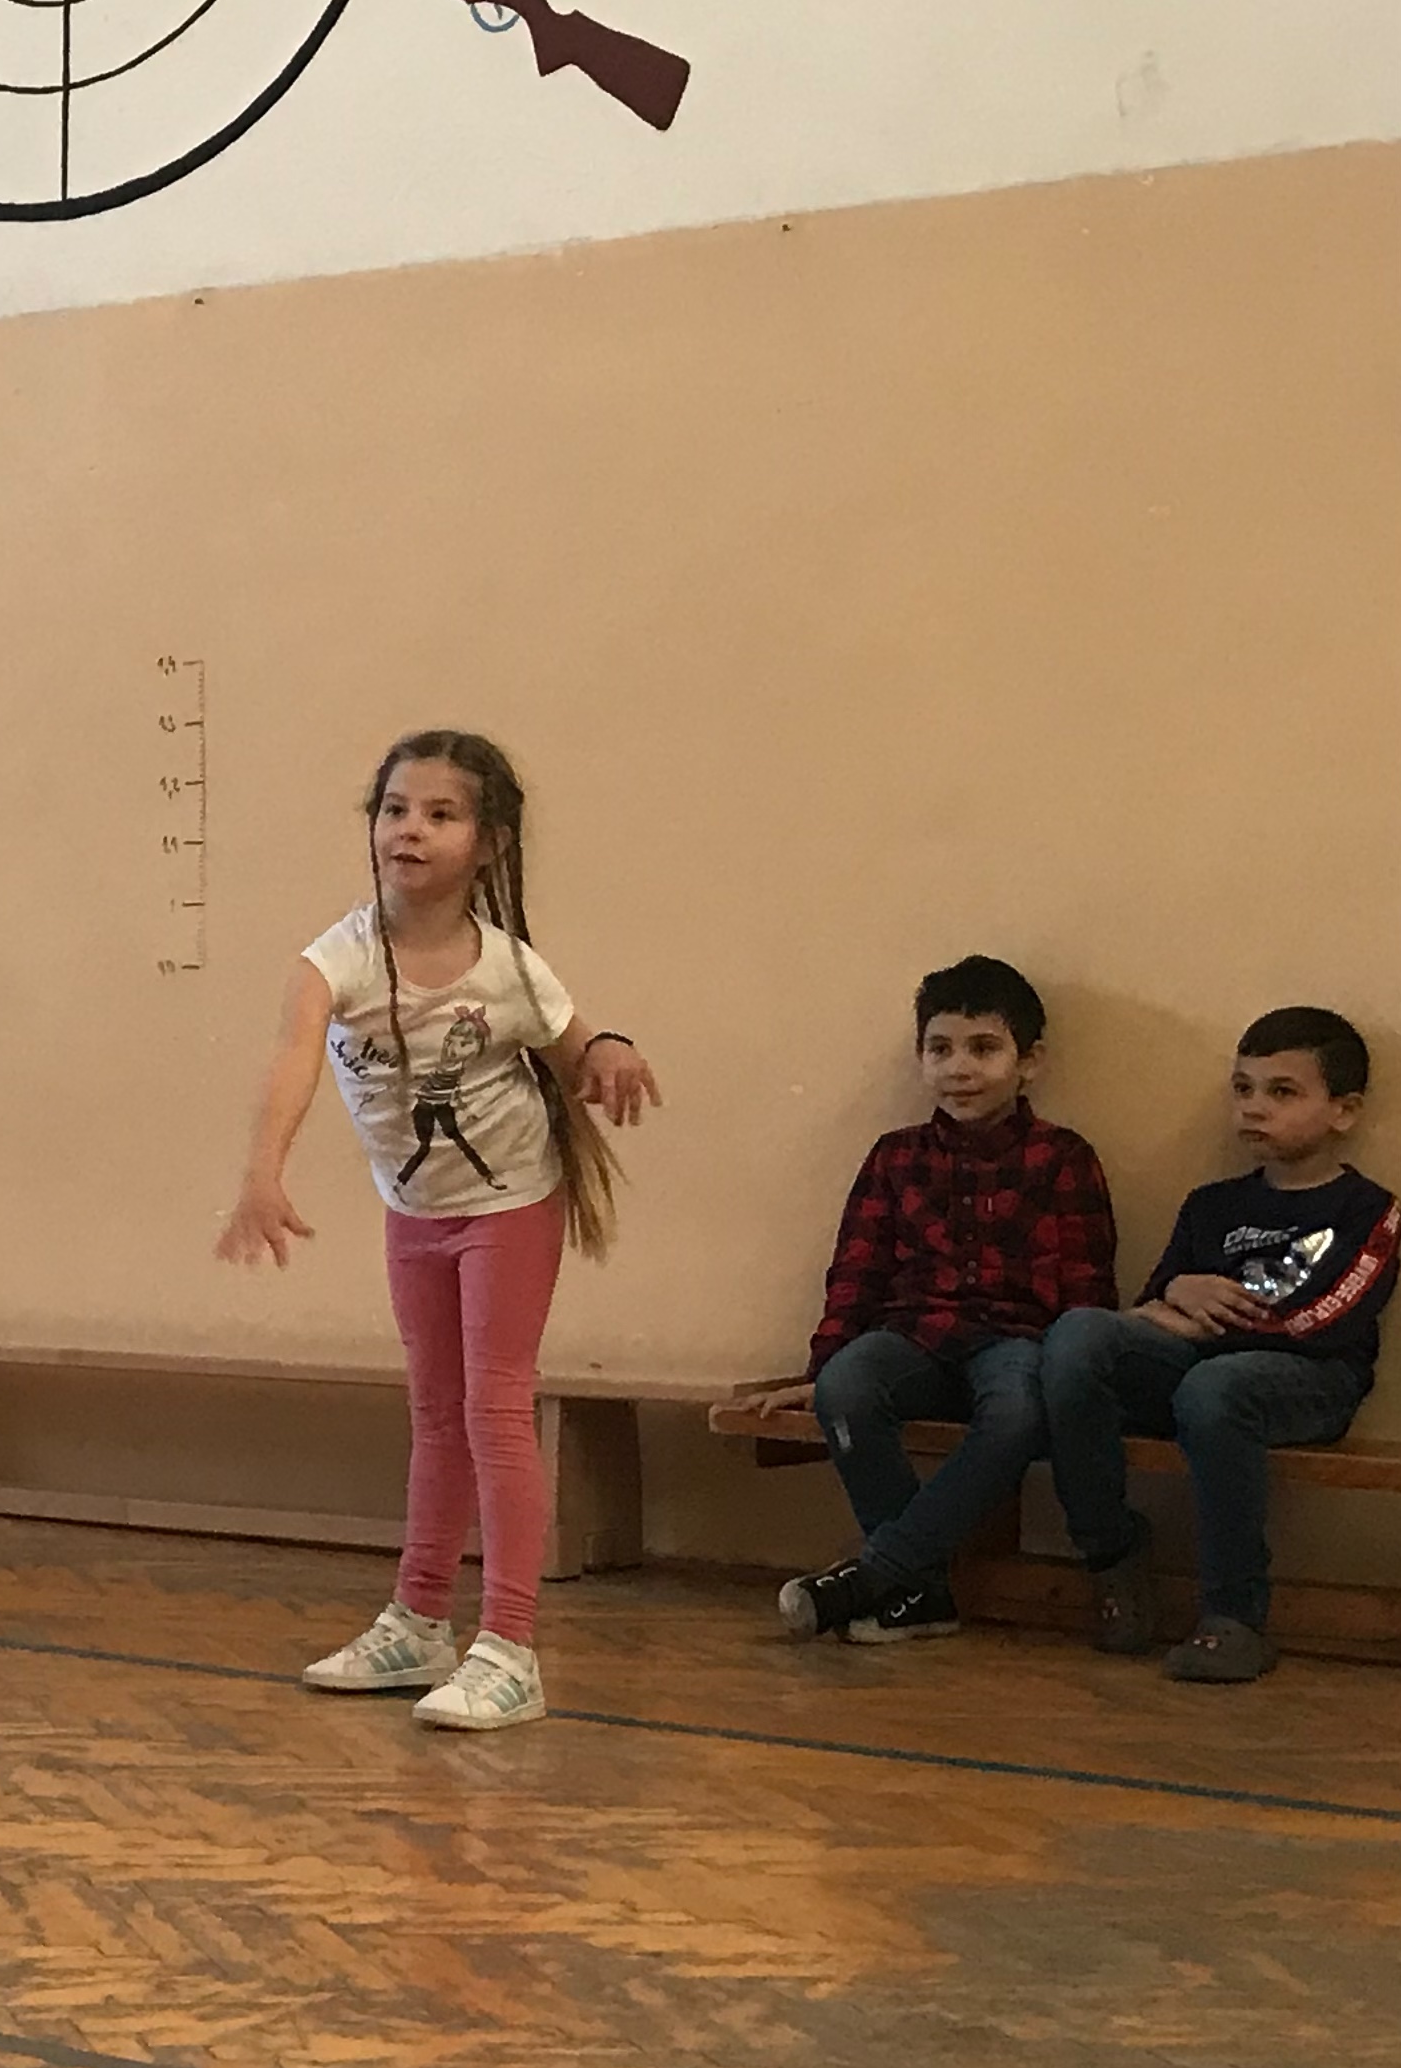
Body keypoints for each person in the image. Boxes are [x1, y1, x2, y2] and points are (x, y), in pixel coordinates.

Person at [215, 731, 659, 1730]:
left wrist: (612, 1050)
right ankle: (418, 1620)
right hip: (415, 1213)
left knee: (495, 1411)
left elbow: (577, 1045)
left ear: (488, 844)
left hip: (511, 1206)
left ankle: (509, 1647)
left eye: (440, 814)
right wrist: (261, 1173)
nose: (409, 829)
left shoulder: (507, 968)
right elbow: (294, 1059)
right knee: (435, 1414)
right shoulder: (336, 959)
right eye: (394, 809)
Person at [766, 957, 1118, 1644]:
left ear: (1029, 1061)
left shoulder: (1064, 1158)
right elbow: (857, 1272)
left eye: (984, 1049)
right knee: (847, 1389)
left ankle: (880, 1574)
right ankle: (920, 1590)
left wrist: (1074, 1381)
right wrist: (823, 1370)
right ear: (920, 1057)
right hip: (914, 1338)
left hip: (1018, 1344)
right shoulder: (895, 1158)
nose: (960, 1068)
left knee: (1017, 1416)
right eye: (940, 1049)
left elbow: (1087, 1290)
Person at [1044, 1009, 1397, 1684]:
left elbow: (1328, 1321)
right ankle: (1112, 1552)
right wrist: (1178, 1287)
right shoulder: (1212, 1205)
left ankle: (1235, 1619)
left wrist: (1209, 1323)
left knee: (1215, 1388)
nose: (1254, 1108)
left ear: (1344, 1110)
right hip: (1197, 1368)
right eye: (1243, 1089)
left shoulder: (1366, 1209)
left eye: (1282, 1092)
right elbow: (1150, 1308)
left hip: (1311, 1379)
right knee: (1079, 1334)